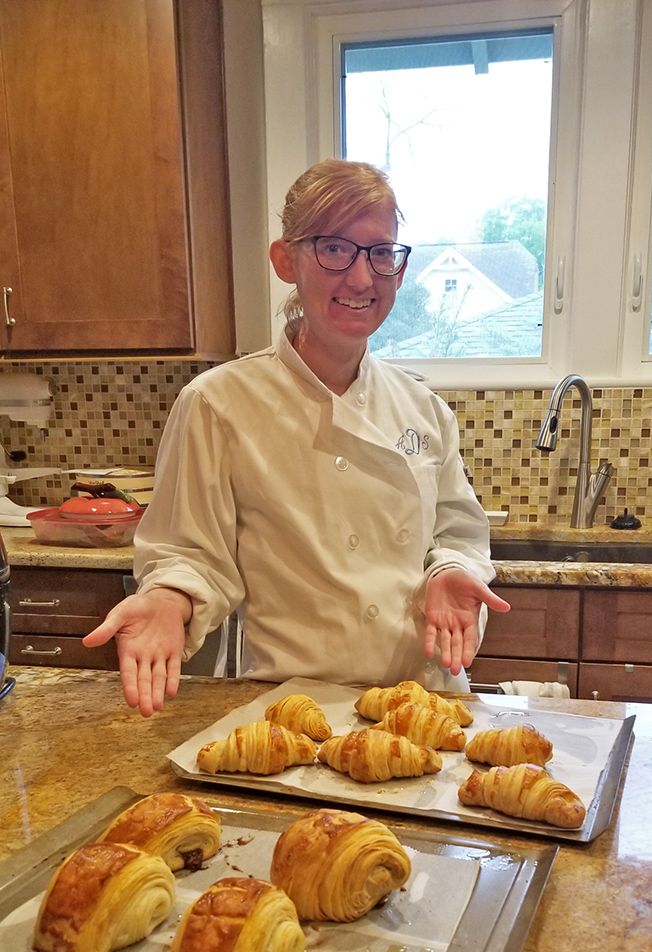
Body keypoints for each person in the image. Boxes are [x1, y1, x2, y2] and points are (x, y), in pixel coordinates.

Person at [84, 158, 510, 716]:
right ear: (286, 260)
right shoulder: (219, 403)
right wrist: (167, 597)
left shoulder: (422, 409)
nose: (362, 279)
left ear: (400, 270)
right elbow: (188, 552)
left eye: (381, 253)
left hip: (421, 706)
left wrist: (452, 569)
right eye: (335, 249)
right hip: (292, 716)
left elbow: (457, 533)